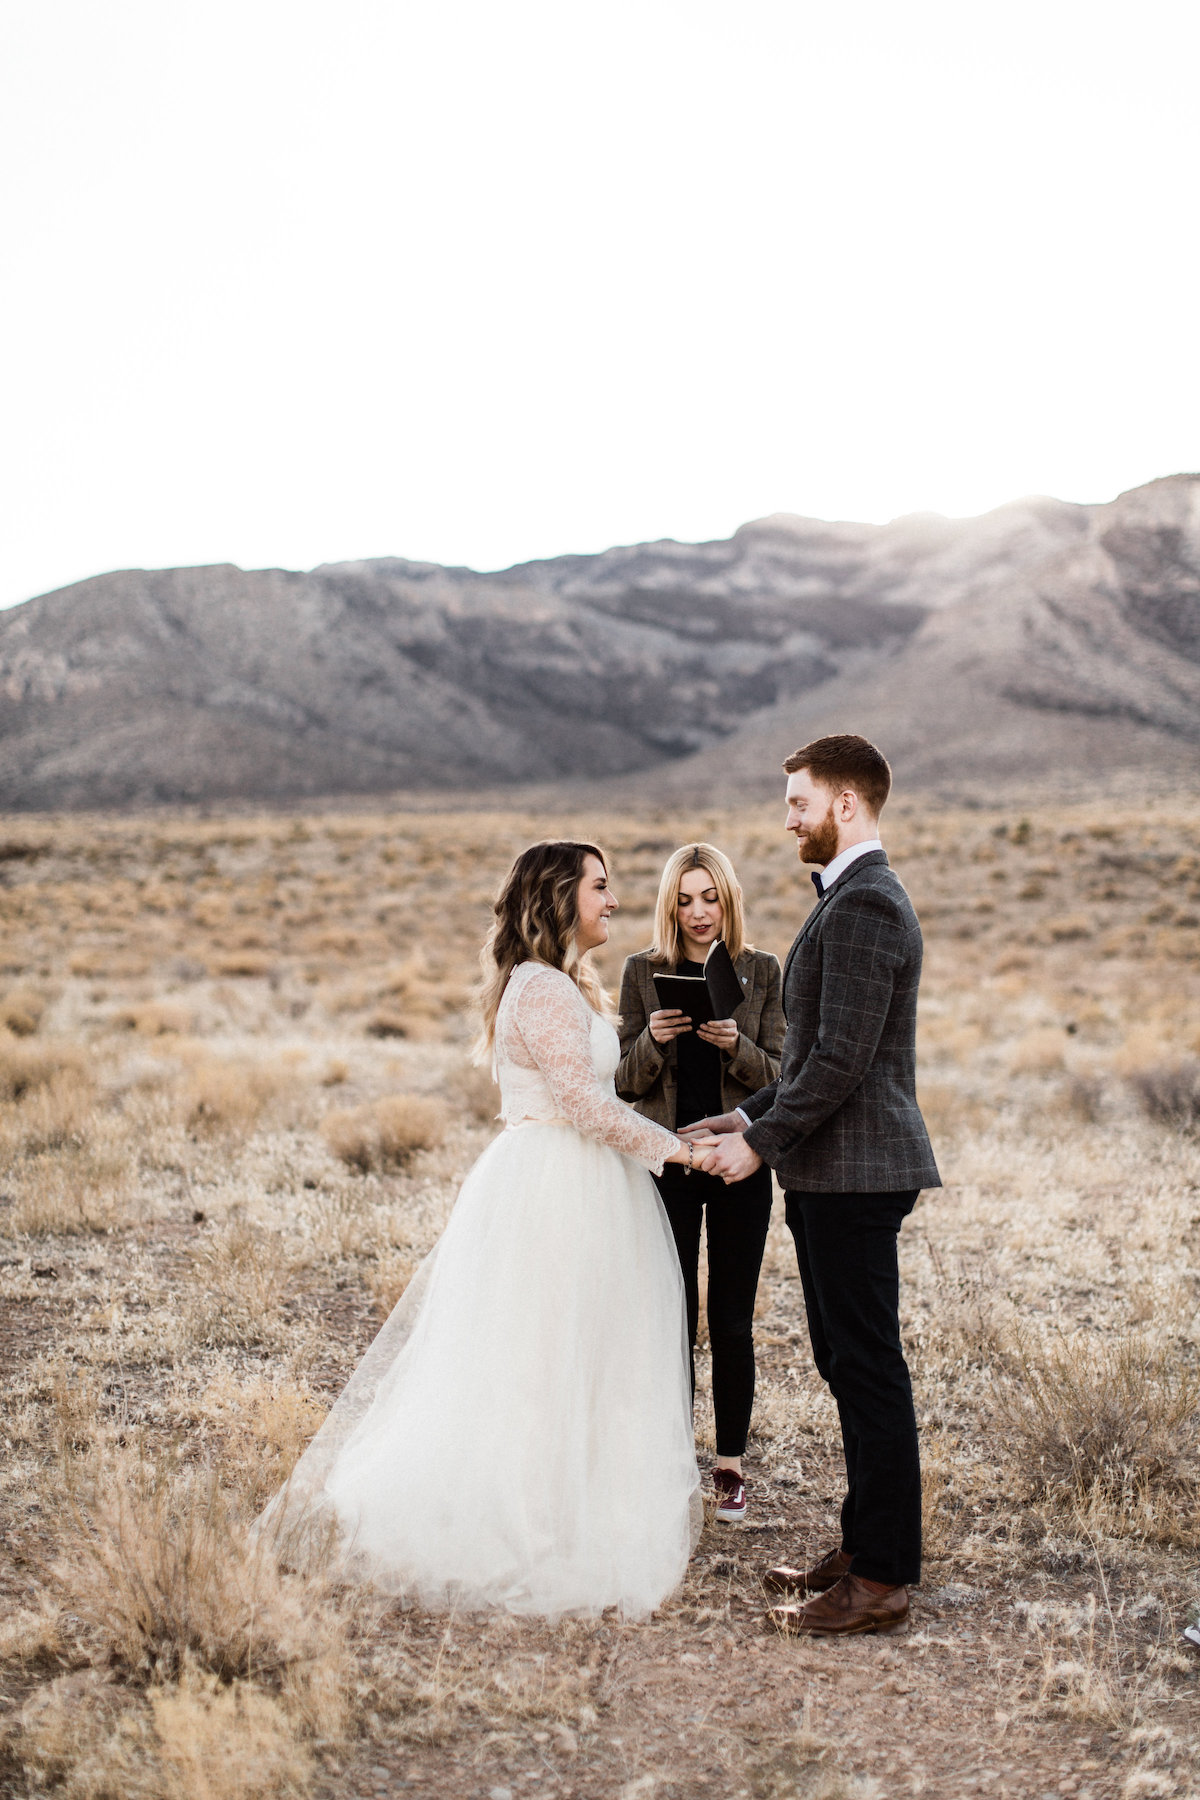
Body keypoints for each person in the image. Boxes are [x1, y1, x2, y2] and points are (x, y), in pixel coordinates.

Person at [261, 840, 709, 1618]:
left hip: (589, 1180)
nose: (614, 901)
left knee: (578, 1348)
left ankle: (570, 1499)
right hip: (554, 1187)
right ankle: (529, 1526)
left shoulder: (566, 983)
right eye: (601, 887)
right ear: (560, 897)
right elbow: (583, 1105)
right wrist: (679, 1153)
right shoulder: (539, 988)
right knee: (537, 1355)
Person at [685, 735, 940, 1637]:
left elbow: (841, 1063)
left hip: (859, 1171)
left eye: (799, 801)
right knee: (845, 1360)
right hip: (833, 1168)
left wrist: (761, 1147)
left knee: (868, 1367)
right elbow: (805, 1061)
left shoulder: (869, 905)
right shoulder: (846, 899)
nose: (787, 817)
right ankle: (869, 1545)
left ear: (845, 804)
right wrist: (747, 1118)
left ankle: (881, 1577)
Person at [616, 843, 783, 1525]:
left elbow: (783, 1077)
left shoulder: (762, 971)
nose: (698, 913)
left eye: (709, 897)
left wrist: (731, 1045)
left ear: (728, 899)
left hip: (740, 1162)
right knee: (673, 1315)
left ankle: (731, 1468)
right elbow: (625, 1082)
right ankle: (673, 1458)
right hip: (671, 1163)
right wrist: (654, 1038)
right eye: (684, 900)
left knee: (732, 1317)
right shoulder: (642, 972)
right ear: (669, 906)